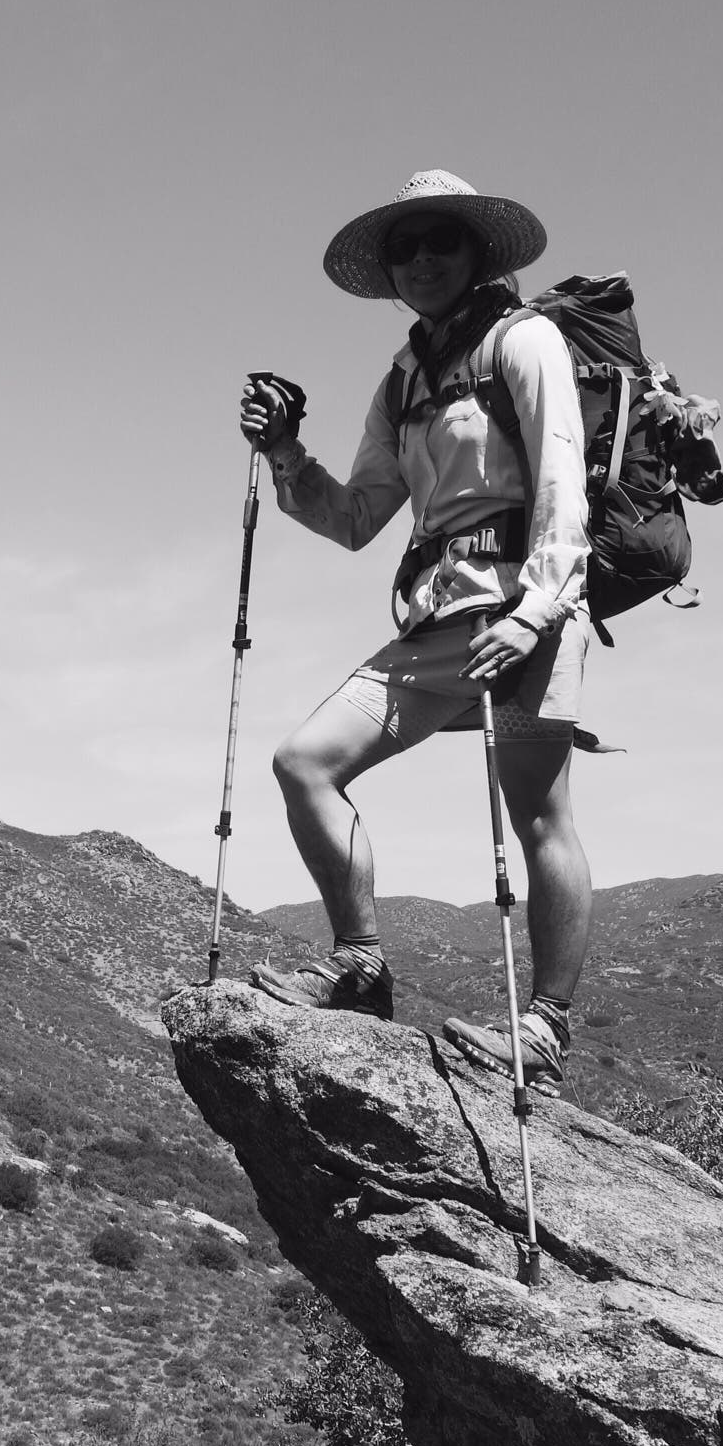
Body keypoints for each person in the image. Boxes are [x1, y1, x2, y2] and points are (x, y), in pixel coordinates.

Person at [237, 168, 591, 1091]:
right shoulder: (403, 380)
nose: (423, 257)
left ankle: (545, 1028)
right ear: (389, 271)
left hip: (524, 609)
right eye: (405, 247)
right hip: (438, 621)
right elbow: (357, 517)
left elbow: (562, 483)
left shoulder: (527, 341)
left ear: (476, 252)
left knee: (539, 813)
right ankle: (360, 966)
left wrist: (536, 612)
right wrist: (285, 452)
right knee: (304, 762)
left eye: (440, 240)